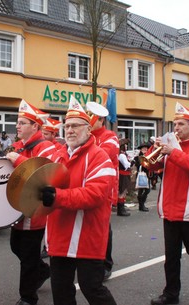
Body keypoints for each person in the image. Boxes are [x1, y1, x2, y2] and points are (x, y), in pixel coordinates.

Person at [41, 97, 117, 305]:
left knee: (92, 288)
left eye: (75, 126)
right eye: (67, 126)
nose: (70, 130)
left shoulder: (100, 156)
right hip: (59, 234)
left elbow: (94, 194)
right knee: (62, 292)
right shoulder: (58, 155)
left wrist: (57, 197)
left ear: (88, 129)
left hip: (87, 234)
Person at [147, 103, 189, 305]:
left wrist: (173, 152)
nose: (175, 128)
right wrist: (155, 149)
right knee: (171, 258)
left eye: (180, 124)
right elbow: (152, 165)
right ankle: (171, 294)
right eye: (174, 124)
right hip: (170, 210)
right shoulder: (170, 146)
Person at [5, 99, 55, 305]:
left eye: (22, 122)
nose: (17, 126)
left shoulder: (46, 147)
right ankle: (43, 270)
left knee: (27, 255)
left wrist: (16, 159)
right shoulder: (19, 146)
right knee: (16, 246)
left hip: (34, 210)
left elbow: (43, 175)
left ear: (36, 126)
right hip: (17, 209)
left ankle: (28, 297)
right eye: (17, 122)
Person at [86, 100, 120, 280]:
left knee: (103, 227)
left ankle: (106, 263)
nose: (89, 121)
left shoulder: (111, 137)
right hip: (87, 187)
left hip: (105, 190)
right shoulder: (87, 136)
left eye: (92, 118)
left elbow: (102, 155)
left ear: (100, 120)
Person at [133, 142, 151, 212]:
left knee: (146, 190)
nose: (145, 150)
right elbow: (137, 165)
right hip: (141, 175)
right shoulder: (138, 157)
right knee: (144, 190)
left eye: (146, 149)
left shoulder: (148, 156)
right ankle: (141, 204)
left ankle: (141, 204)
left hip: (146, 175)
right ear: (141, 150)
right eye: (143, 149)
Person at [117, 138, 132, 216]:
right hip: (123, 175)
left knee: (123, 192)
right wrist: (131, 163)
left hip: (124, 175)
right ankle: (121, 210)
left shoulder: (123, 154)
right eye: (125, 145)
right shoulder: (122, 155)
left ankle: (121, 208)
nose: (126, 146)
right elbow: (126, 165)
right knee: (122, 192)